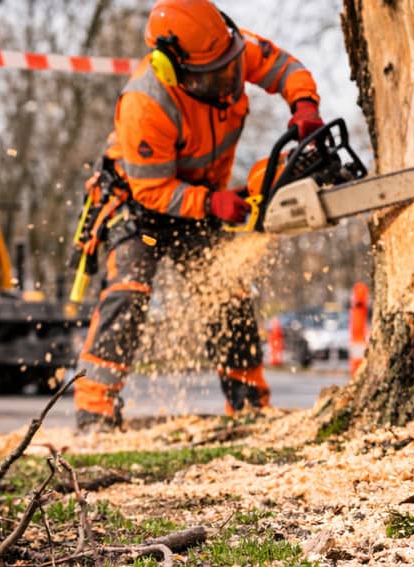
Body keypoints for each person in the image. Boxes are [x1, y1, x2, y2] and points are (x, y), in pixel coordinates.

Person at [73, 0, 325, 431]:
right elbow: (151, 189)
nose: (229, 78)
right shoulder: (145, 102)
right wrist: (211, 204)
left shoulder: (224, 51)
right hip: (136, 202)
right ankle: (94, 410)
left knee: (226, 290)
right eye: (214, 75)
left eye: (231, 65)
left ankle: (248, 403)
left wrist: (304, 103)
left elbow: (283, 66)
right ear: (174, 70)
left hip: (202, 196)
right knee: (130, 290)